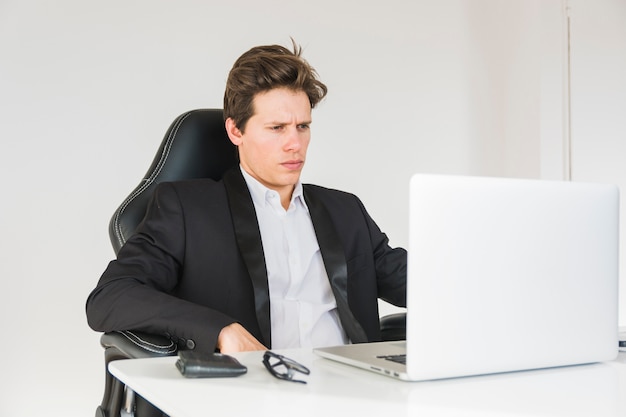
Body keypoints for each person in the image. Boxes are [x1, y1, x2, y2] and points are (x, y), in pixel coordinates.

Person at [86, 40, 407, 354]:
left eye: (303, 126)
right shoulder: (186, 210)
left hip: (354, 392)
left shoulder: (345, 210)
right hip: (257, 393)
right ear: (235, 131)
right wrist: (218, 330)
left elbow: (415, 282)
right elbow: (110, 297)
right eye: (277, 128)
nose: (295, 143)